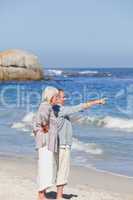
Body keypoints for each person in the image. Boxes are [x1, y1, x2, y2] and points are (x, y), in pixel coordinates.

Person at [53, 89, 106, 200]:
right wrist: (97, 102)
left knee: (58, 169)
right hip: (63, 145)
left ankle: (56, 194)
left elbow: (74, 113)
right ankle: (59, 196)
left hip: (57, 144)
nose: (65, 99)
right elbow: (79, 107)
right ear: (56, 98)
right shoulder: (61, 110)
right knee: (63, 170)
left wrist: (82, 111)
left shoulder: (54, 110)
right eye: (63, 97)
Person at [33, 86, 59, 200]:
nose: (57, 98)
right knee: (45, 166)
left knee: (46, 166)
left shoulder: (48, 106)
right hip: (45, 141)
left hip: (46, 140)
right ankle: (41, 194)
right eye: (56, 96)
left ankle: (42, 193)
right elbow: (41, 120)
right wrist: (45, 128)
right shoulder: (46, 106)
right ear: (51, 96)